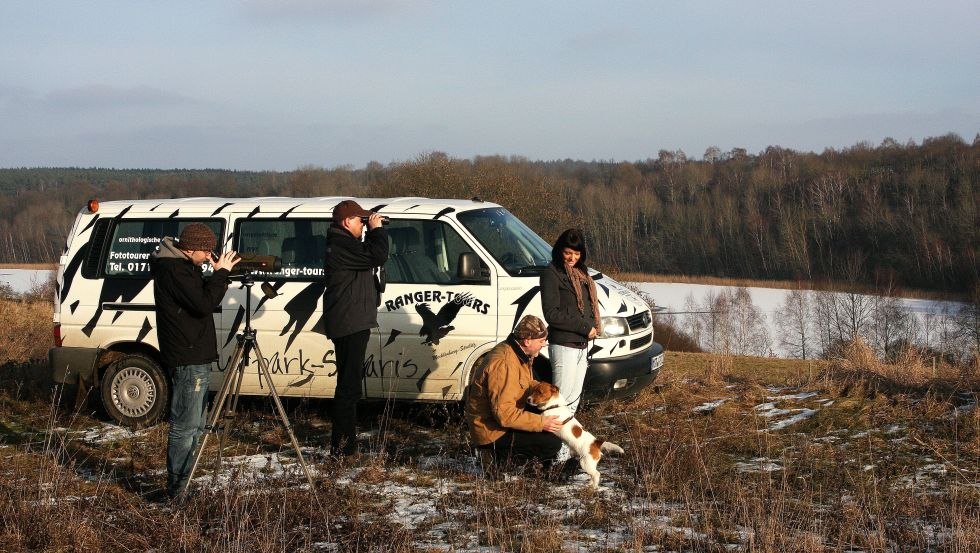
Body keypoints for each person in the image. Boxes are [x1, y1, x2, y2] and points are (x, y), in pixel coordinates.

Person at [150, 223, 239, 498]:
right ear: (190, 249)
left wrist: (214, 273)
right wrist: (221, 273)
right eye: (206, 251)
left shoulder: (183, 268)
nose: (208, 256)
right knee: (185, 426)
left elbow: (200, 298)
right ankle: (177, 488)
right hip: (188, 355)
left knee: (196, 424)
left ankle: (183, 482)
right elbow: (203, 304)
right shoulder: (175, 271)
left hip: (193, 352)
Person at [323, 200, 389, 456]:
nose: (363, 225)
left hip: (353, 320)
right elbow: (377, 254)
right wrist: (377, 230)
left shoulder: (346, 244)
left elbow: (373, 255)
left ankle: (344, 445)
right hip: (349, 322)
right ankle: (342, 449)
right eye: (360, 221)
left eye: (365, 221)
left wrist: (376, 230)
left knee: (350, 386)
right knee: (348, 388)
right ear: (346, 221)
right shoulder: (339, 246)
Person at [465, 315, 563, 468]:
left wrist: (547, 392)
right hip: (492, 431)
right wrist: (541, 423)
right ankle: (495, 459)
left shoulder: (517, 352)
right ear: (527, 340)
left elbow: (524, 383)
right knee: (552, 442)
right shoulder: (505, 364)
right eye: (541, 341)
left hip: (501, 421)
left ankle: (543, 467)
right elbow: (505, 415)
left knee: (550, 424)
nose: (544, 344)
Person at [540, 228, 600, 418]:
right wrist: (585, 326)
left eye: (576, 253)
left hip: (582, 345)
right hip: (564, 344)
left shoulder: (581, 274)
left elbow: (587, 307)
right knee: (559, 403)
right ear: (559, 250)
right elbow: (552, 314)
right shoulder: (551, 273)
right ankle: (553, 447)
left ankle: (564, 448)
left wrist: (594, 325)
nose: (572, 257)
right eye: (568, 252)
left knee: (572, 403)